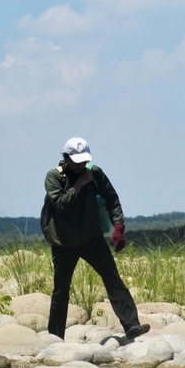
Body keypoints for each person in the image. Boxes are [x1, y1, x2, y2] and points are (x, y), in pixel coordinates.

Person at [41, 137, 148, 341]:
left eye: (84, 160)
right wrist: (80, 185)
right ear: (66, 158)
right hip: (63, 242)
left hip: (91, 237)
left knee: (113, 279)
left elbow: (112, 199)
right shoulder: (54, 177)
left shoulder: (95, 173)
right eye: (76, 161)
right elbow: (61, 205)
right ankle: (55, 337)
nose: (81, 165)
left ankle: (132, 325)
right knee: (61, 290)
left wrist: (119, 227)